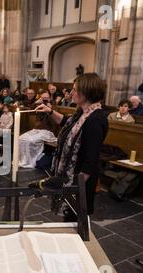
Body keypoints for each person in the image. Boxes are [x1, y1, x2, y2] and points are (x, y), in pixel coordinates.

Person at [35, 73, 108, 220]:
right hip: (71, 177)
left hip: (80, 180)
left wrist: (73, 187)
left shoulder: (95, 119)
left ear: (87, 92)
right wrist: (50, 111)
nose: (72, 92)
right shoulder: (82, 112)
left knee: (75, 219)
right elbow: (66, 122)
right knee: (69, 218)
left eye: (75, 89)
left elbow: (90, 160)